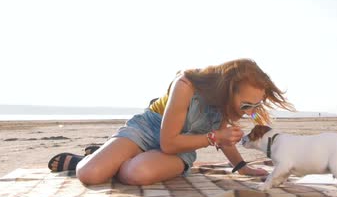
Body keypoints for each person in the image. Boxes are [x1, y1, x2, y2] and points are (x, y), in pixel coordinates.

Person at [47, 58, 294, 186]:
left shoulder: (230, 105)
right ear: (227, 89)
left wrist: (241, 166)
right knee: (89, 174)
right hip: (149, 130)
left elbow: (220, 135)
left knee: (134, 173)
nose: (249, 112)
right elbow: (169, 141)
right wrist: (213, 138)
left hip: (182, 147)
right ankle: (91, 158)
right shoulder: (187, 84)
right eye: (246, 105)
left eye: (255, 106)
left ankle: (110, 156)